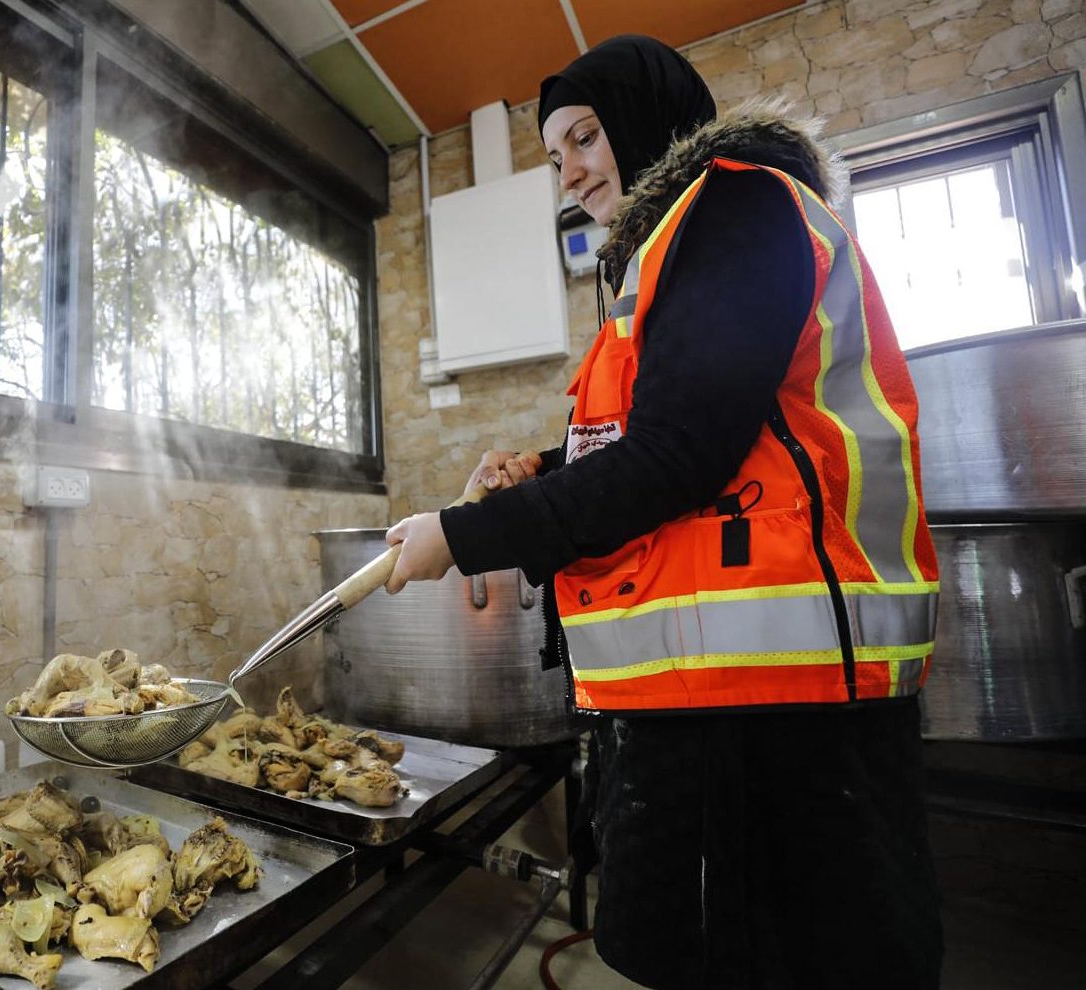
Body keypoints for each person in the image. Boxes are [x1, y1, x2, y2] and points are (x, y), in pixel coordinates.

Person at [383, 35, 943, 990]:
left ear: (647, 118)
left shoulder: (737, 206)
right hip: (706, 701)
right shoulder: (664, 254)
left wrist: (466, 535)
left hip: (774, 711)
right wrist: (548, 469)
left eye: (587, 138)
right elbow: (693, 439)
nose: (571, 173)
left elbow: (678, 458)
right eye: (557, 156)